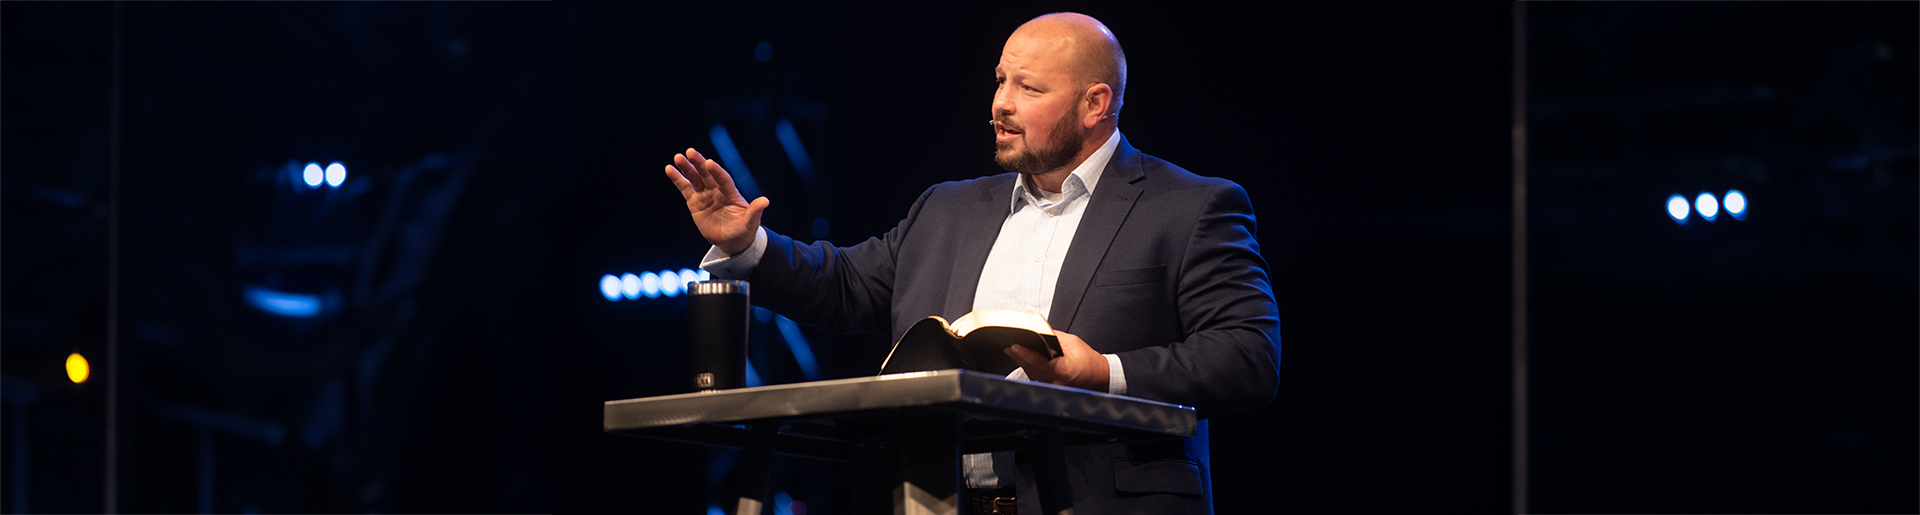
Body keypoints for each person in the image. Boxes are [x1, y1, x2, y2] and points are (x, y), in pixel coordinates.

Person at [662, 12, 1278, 515]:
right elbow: (844, 285)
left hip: (1100, 501)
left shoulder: (1189, 206)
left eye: (1029, 89)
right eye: (1000, 81)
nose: (1000, 105)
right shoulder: (947, 208)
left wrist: (1104, 372)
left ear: (1096, 104)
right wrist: (746, 245)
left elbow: (1246, 356)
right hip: (945, 498)